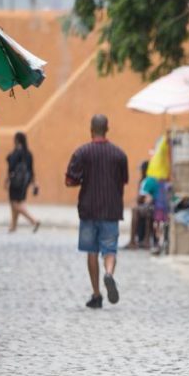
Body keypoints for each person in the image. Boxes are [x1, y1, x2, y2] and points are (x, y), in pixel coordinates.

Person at [65, 115, 129, 309]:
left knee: (91, 251)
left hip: (88, 209)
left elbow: (69, 181)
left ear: (91, 129)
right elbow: (124, 180)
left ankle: (96, 294)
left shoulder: (82, 153)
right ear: (107, 129)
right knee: (110, 250)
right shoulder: (119, 155)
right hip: (111, 209)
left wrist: (84, 179)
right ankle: (109, 273)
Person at [5, 132, 40, 233]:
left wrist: (7, 180)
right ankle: (13, 226)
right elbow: (31, 170)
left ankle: (34, 221)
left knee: (15, 204)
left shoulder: (16, 152)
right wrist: (34, 182)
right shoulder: (29, 153)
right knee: (15, 203)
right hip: (25, 182)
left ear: (16, 140)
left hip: (15, 182)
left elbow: (11, 167)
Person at [125, 161, 153, 249]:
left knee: (135, 210)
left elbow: (144, 198)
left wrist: (139, 199)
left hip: (150, 206)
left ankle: (134, 241)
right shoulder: (143, 181)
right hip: (145, 206)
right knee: (136, 210)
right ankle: (134, 240)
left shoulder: (147, 181)